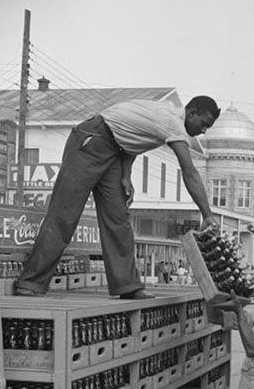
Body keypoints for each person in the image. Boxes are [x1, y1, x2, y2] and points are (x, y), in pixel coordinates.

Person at [15, 96, 221, 298]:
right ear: (192, 112)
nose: (203, 131)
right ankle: (31, 282)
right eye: (204, 124)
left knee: (118, 218)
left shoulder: (166, 117)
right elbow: (189, 172)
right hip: (91, 139)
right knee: (64, 214)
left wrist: (125, 175)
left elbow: (132, 138)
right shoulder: (173, 123)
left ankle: (127, 285)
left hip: (113, 150)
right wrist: (207, 215)